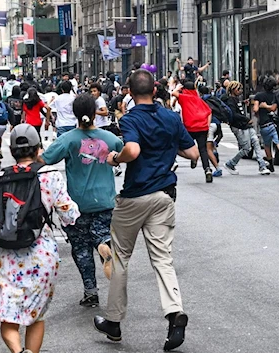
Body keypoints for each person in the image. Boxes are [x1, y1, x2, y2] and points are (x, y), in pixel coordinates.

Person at [93, 69, 199, 351]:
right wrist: (167, 147)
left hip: (135, 197)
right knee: (163, 259)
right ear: (155, 91)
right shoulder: (171, 118)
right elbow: (193, 153)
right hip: (164, 196)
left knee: (120, 259)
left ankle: (114, 322)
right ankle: (175, 313)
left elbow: (133, 150)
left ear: (129, 92)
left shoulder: (130, 119)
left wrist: (116, 158)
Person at [0, 124, 80, 353]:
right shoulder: (51, 177)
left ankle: (18, 351)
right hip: (41, 256)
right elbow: (69, 214)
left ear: (12, 151)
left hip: (5, 257)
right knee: (36, 317)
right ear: (38, 149)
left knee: (8, 318)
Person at [40, 93, 122, 308]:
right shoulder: (110, 138)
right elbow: (127, 153)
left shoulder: (68, 139)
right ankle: (104, 245)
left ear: (74, 113)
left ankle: (90, 292)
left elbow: (45, 160)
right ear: (95, 113)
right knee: (101, 234)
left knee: (81, 248)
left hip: (77, 205)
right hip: (105, 200)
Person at [222, 81, 271, 175]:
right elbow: (234, 114)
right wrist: (246, 119)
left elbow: (237, 110)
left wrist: (243, 104)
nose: (240, 91)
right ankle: (231, 163)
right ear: (233, 90)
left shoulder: (235, 99)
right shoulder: (230, 100)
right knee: (246, 148)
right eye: (238, 89)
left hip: (245, 125)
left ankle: (262, 165)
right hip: (239, 126)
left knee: (256, 142)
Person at [174, 82, 214, 182]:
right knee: (203, 149)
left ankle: (193, 158)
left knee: (186, 146)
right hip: (202, 127)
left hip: (189, 128)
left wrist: (178, 87)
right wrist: (207, 126)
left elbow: (173, 93)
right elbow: (209, 112)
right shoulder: (199, 99)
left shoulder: (184, 97)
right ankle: (207, 169)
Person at [253, 76, 279, 172]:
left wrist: (262, 107)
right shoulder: (276, 95)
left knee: (266, 145)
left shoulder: (259, 96)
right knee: (278, 142)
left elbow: (255, 109)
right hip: (275, 123)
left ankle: (270, 163)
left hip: (264, 124)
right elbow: (274, 108)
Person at [198, 85, 224, 177]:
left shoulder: (201, 101)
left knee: (207, 149)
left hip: (210, 124)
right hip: (217, 123)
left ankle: (218, 168)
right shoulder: (214, 99)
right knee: (210, 142)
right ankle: (215, 151)